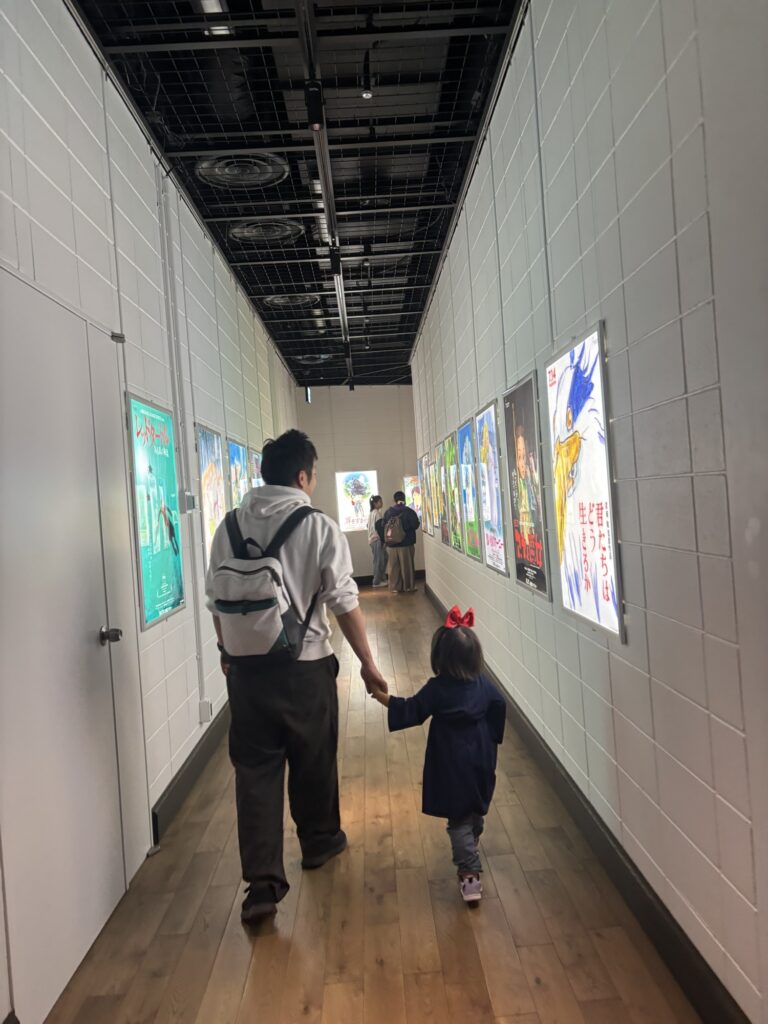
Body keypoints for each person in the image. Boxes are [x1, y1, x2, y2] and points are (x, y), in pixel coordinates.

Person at [205, 430, 389, 924]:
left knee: (254, 772)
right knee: (314, 756)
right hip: (305, 667)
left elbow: (216, 600)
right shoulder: (318, 526)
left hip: (246, 673)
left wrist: (226, 650)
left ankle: (262, 885)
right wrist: (368, 663)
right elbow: (344, 601)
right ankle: (319, 841)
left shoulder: (227, 527)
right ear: (302, 476)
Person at [372, 606, 505, 903]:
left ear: (440, 658)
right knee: (474, 810)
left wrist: (382, 697)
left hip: (451, 762)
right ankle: (471, 842)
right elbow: (499, 706)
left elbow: (411, 710)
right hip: (482, 758)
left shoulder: (437, 689)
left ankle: (470, 874)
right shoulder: (484, 684)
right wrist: (492, 738)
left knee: (458, 819)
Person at [382, 490, 420, 593]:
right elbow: (415, 525)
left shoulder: (388, 512)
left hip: (392, 544)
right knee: (407, 566)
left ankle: (395, 587)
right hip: (406, 544)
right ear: (404, 499)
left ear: (394, 500)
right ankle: (408, 586)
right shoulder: (409, 511)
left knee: (394, 567)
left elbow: (383, 525)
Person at [367, 495, 388, 588]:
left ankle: (382, 578)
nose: (382, 503)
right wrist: (384, 541)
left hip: (372, 540)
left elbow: (368, 526)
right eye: (380, 501)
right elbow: (380, 529)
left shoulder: (371, 513)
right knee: (379, 560)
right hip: (376, 540)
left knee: (384, 558)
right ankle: (376, 582)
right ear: (375, 504)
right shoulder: (377, 514)